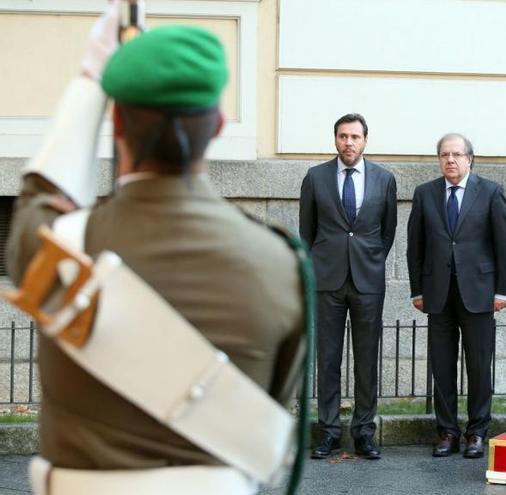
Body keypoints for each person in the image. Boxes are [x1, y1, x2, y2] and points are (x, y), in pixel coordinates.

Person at [6, 5, 306, 494]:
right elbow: (272, 408)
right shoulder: (283, 264)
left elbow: (42, 193)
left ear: (118, 123)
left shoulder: (57, 248)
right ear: (218, 126)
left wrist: (90, 80)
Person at [407, 133, 506, 459]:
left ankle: (477, 432)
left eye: (456, 154)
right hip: (437, 294)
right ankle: (447, 431)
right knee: (442, 367)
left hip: (479, 294)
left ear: (470, 159)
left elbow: (504, 245)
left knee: (480, 366)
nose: (450, 160)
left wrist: (502, 290)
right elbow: (416, 245)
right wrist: (418, 289)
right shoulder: (425, 194)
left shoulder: (490, 191)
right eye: (444, 155)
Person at [300, 113, 397, 460]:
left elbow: (387, 232)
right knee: (327, 359)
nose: (348, 143)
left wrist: (369, 259)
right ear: (335, 140)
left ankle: (364, 432)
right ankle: (328, 431)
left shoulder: (384, 180)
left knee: (367, 360)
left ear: (365, 141)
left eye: (355, 137)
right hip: (328, 280)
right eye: (343, 136)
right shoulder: (315, 178)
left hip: (368, 281)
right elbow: (306, 232)